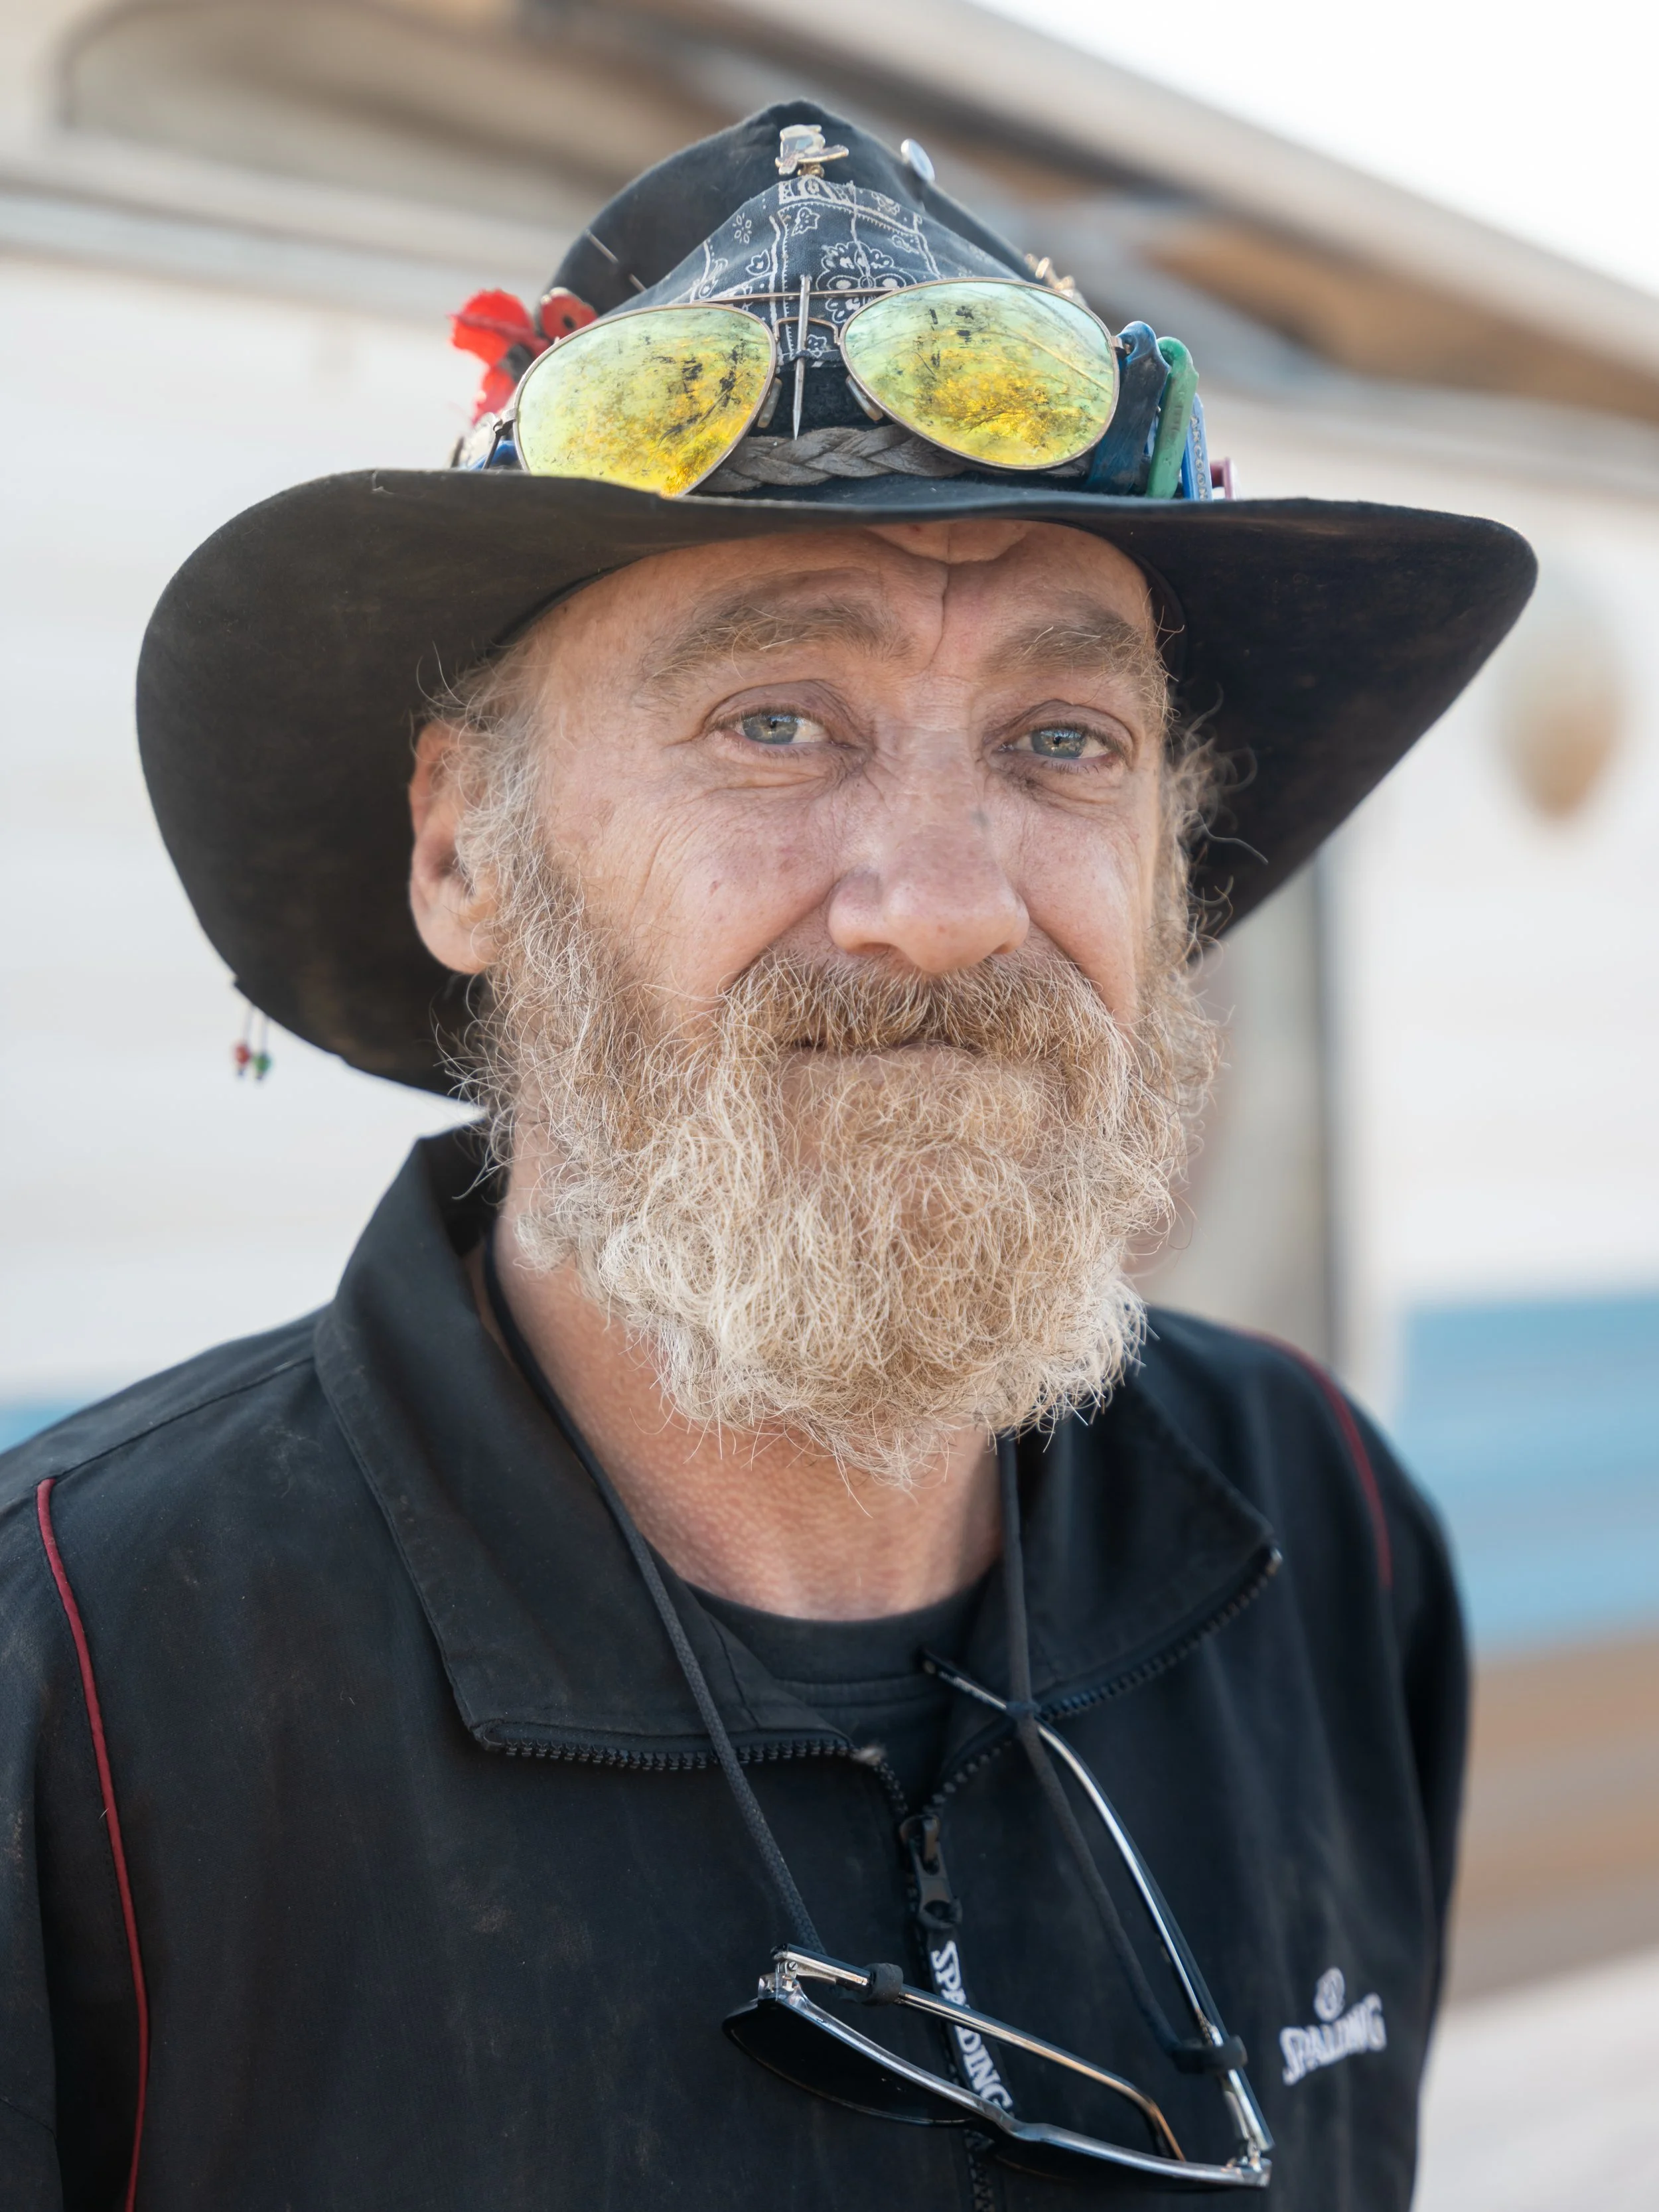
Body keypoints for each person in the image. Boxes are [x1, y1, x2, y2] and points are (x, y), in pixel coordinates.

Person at [0, 102, 1532, 2211]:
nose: (943, 902)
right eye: (775, 722)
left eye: (1058, 742)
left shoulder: (1323, 1532)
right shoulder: (68, 1673)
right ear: (464, 842)